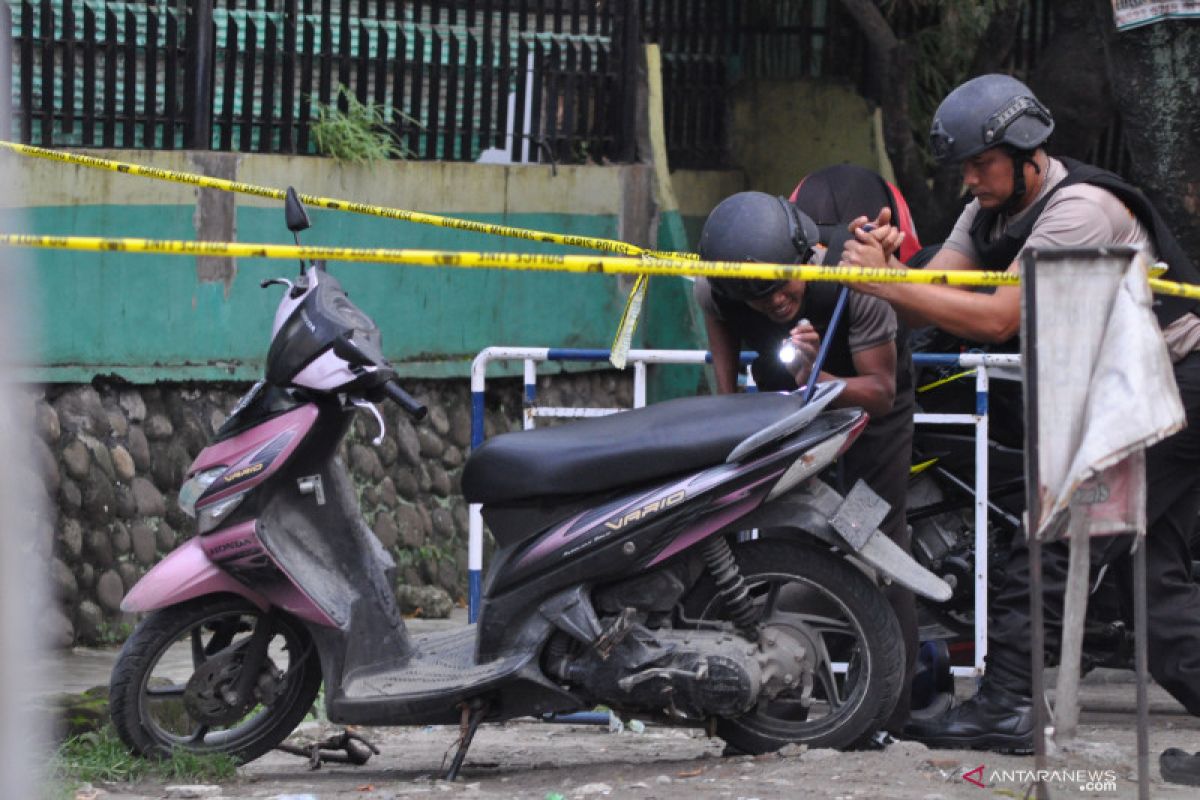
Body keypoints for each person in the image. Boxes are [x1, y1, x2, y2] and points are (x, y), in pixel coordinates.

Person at [841, 72, 1200, 756]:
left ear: (1027, 151)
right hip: (1129, 390)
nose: (971, 179)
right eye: (965, 167)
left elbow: (1001, 318)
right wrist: (895, 265)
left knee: (1052, 538)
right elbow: (942, 279)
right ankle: (1008, 705)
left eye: (982, 163)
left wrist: (887, 284)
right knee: (1149, 588)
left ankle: (1007, 706)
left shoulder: (1082, 210)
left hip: (1175, 388)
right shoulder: (986, 210)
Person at [693, 177, 918, 736]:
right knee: (782, 543)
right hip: (789, 407)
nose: (773, 300)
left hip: (869, 402)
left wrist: (815, 381)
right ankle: (778, 706)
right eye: (757, 294)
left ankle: (894, 712)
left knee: (879, 539)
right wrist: (730, 413)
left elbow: (881, 390)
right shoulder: (716, 287)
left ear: (805, 257)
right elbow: (724, 358)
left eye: (782, 284)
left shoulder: (853, 278)